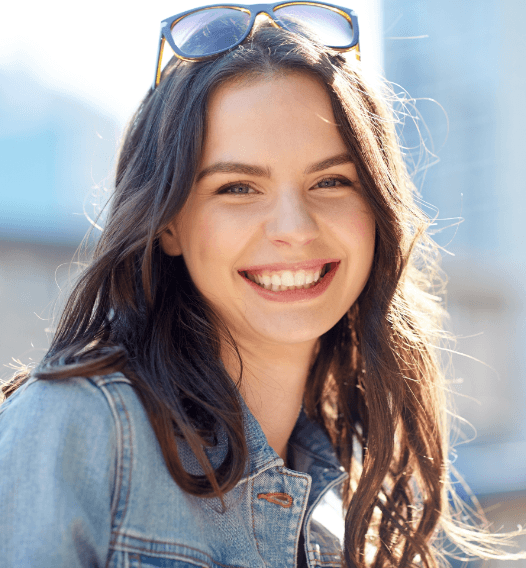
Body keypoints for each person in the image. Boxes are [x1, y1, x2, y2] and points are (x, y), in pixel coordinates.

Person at [1, 3, 525, 567]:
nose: (295, 229)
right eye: (238, 188)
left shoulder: (346, 505)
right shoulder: (79, 427)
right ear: (169, 222)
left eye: (330, 181)